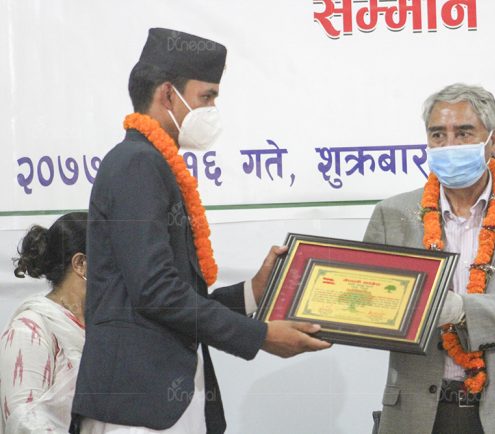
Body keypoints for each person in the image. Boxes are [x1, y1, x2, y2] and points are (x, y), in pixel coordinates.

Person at [71, 28, 330, 434]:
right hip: (137, 406)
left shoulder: (155, 163)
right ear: (168, 94)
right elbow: (156, 292)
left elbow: (173, 298)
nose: (212, 110)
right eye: (207, 97)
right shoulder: (136, 163)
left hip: (172, 400)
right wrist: (261, 336)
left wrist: (253, 291)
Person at [364, 83, 495, 433]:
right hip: (417, 415)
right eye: (437, 135)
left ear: (492, 140)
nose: (449, 145)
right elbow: (369, 301)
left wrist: (461, 310)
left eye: (463, 133)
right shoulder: (391, 215)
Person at [0, 212, 87, 433]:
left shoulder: (105, 329)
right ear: (81, 264)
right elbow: (24, 425)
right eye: (112, 260)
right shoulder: (29, 330)